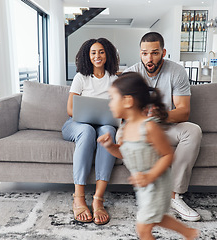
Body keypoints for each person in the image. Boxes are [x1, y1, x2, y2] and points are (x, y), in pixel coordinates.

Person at [97, 72, 198, 240]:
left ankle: (188, 232)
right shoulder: (124, 130)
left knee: (143, 228)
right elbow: (123, 153)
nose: (109, 104)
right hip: (143, 185)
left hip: (156, 182)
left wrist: (150, 176)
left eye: (112, 98)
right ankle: (188, 232)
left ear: (128, 101)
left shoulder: (149, 127)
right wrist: (109, 146)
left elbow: (167, 155)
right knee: (156, 218)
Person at [123, 32, 202, 222]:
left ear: (163, 52)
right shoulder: (131, 74)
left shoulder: (177, 71)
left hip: (166, 126)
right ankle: (148, 193)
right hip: (140, 129)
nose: (149, 59)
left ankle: (174, 195)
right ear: (140, 53)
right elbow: (124, 113)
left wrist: (160, 115)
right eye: (144, 53)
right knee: (122, 134)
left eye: (154, 53)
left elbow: (183, 111)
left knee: (193, 131)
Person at [62, 38, 119, 225]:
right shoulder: (81, 77)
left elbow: (119, 108)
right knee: (87, 131)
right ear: (88, 55)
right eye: (93, 52)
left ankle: (98, 199)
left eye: (101, 52)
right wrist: (87, 117)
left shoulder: (114, 79)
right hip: (77, 124)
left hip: (104, 124)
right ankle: (78, 198)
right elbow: (71, 109)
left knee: (108, 132)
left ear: (107, 54)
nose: (97, 56)